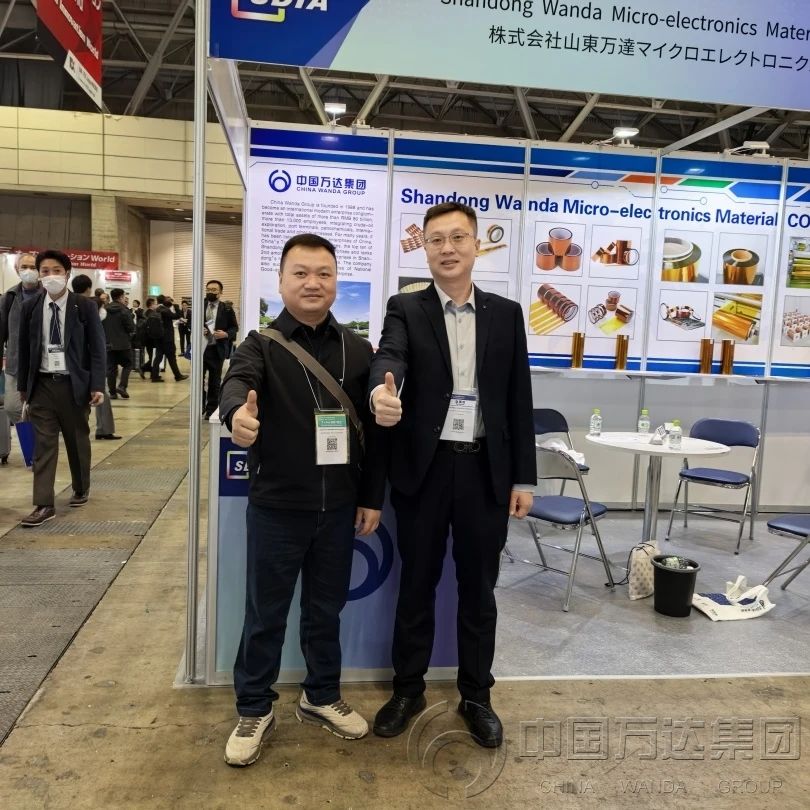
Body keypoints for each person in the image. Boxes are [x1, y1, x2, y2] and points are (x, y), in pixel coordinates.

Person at [369, 202, 536, 749]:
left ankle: (477, 696)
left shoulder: (506, 313)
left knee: (478, 591)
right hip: (426, 470)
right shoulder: (406, 307)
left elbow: (518, 398)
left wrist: (524, 479)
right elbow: (390, 357)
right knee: (416, 585)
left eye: (458, 237)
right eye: (436, 239)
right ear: (424, 247)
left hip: (486, 471)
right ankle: (407, 690)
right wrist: (382, 390)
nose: (448, 248)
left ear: (476, 245)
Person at [218, 233, 387, 768]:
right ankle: (253, 707)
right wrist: (236, 416)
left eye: (324, 273)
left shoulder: (358, 349)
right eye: (301, 273)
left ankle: (321, 695)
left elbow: (373, 435)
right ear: (282, 280)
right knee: (265, 614)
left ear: (336, 281)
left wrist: (371, 497)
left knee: (325, 610)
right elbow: (236, 384)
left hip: (338, 509)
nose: (313, 283)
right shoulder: (260, 345)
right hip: (277, 507)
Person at [16, 250, 106, 526]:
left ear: (67, 274)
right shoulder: (31, 307)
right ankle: (44, 504)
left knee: (76, 440)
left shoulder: (83, 306)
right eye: (45, 271)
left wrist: (97, 385)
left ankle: (81, 486)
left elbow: (97, 348)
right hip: (42, 385)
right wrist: (23, 387)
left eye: (56, 270)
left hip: (73, 385)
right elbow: (24, 349)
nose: (50, 276)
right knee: (43, 446)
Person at [0, 252, 41, 463]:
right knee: (13, 408)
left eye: (33, 267)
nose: (28, 271)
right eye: (24, 267)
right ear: (17, 270)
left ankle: (35, 455)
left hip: (42, 366)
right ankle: (33, 449)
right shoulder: (9, 297)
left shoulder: (48, 294)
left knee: (41, 411)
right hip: (16, 364)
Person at [72, 275, 121, 441]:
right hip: (91, 359)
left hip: (72, 362)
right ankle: (104, 429)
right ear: (89, 288)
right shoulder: (94, 305)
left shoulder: (67, 305)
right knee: (101, 393)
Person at [201, 280, 238, 418]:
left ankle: (211, 409)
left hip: (217, 350)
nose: (210, 292)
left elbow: (234, 328)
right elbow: (190, 324)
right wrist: (198, 329)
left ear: (220, 292)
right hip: (201, 349)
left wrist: (226, 334)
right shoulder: (199, 305)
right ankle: (199, 406)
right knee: (198, 381)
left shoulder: (226, 309)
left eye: (214, 290)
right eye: (208, 289)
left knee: (214, 382)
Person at [103, 288, 135, 399]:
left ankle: (112, 393)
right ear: (121, 297)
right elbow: (131, 327)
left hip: (108, 344)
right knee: (128, 365)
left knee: (111, 368)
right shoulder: (124, 310)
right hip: (123, 344)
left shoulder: (104, 309)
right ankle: (122, 386)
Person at [152, 295, 188, 383]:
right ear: (164, 300)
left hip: (159, 338)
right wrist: (175, 304)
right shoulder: (165, 310)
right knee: (171, 357)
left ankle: (154, 376)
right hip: (167, 338)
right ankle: (178, 376)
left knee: (158, 357)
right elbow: (177, 315)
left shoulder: (157, 309)